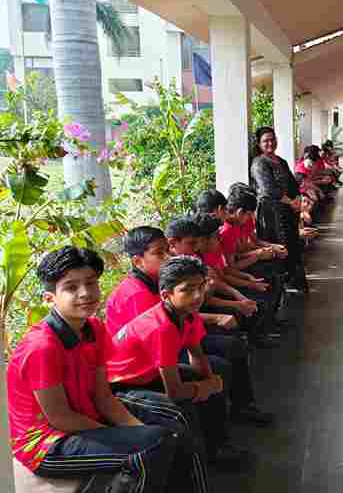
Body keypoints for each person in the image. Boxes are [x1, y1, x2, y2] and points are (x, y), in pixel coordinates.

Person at [7, 247, 179, 493]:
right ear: (49, 298)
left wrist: (135, 428)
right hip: (45, 444)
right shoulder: (41, 347)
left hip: (84, 419)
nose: (85, 293)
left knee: (173, 431)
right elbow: (60, 418)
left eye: (91, 283)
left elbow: (103, 397)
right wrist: (122, 434)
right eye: (71, 287)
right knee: (153, 444)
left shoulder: (95, 329)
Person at [108, 256, 249, 469]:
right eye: (187, 290)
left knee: (213, 377)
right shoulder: (161, 327)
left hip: (150, 374)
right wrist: (205, 387)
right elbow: (174, 392)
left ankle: (217, 448)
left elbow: (197, 355)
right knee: (182, 411)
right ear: (166, 295)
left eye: (201, 287)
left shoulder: (188, 314)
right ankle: (198, 463)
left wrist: (210, 380)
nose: (198, 296)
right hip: (122, 386)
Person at [250, 126, 306, 291]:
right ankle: (279, 285)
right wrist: (291, 202)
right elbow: (268, 189)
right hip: (271, 213)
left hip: (288, 210)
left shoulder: (281, 161)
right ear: (259, 144)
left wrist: (297, 199)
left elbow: (293, 184)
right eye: (266, 141)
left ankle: (293, 280)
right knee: (278, 244)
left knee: (292, 244)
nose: (270, 143)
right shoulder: (259, 163)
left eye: (273, 139)